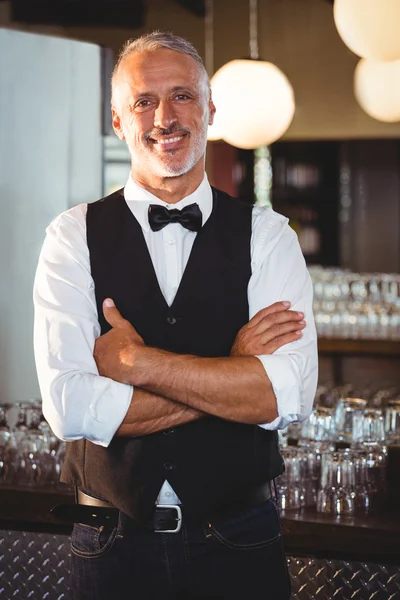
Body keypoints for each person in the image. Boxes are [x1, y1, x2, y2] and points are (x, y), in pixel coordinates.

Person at [33, 31, 317, 600]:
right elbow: (69, 407)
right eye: (143, 101)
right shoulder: (71, 236)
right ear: (118, 121)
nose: (165, 116)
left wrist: (137, 362)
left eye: (183, 95)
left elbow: (284, 397)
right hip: (109, 541)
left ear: (211, 110)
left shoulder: (268, 236)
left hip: (241, 537)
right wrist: (230, 370)